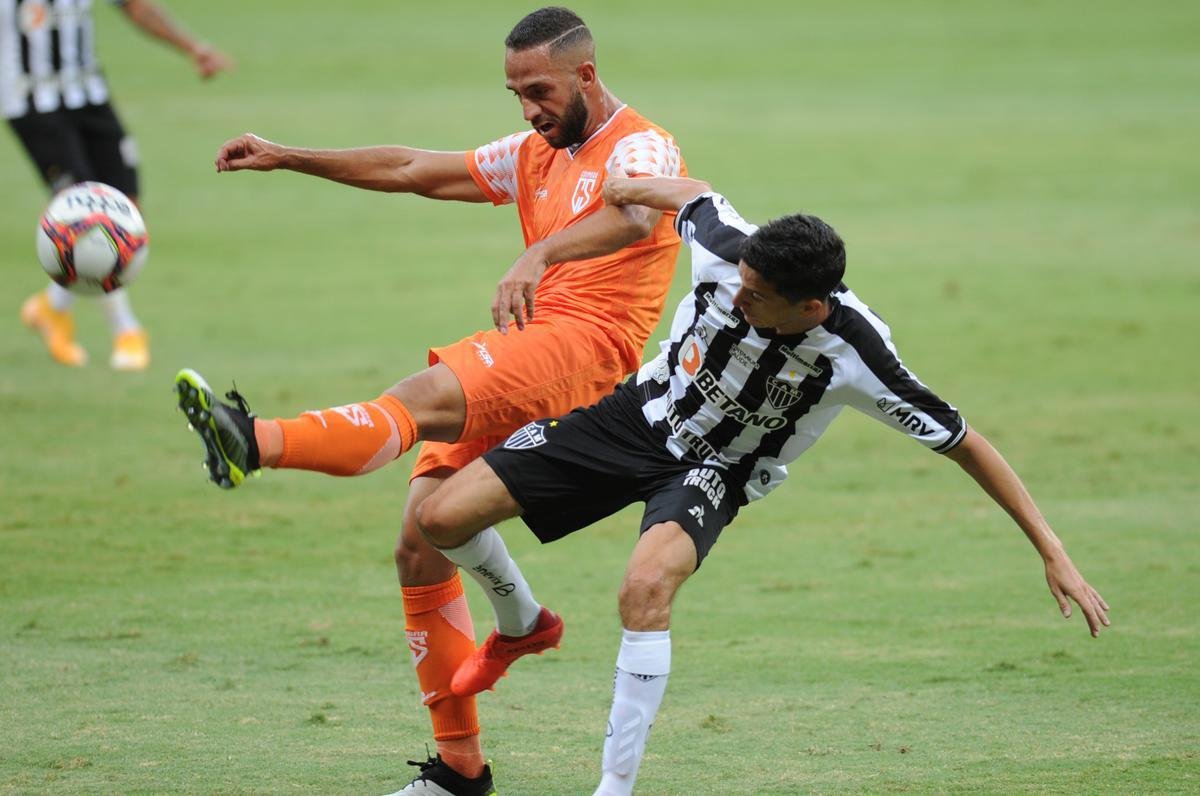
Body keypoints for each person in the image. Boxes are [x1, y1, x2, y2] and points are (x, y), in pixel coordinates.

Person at [410, 174, 1112, 795]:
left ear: (811, 307)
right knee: (441, 518)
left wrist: (1054, 552)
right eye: (740, 282)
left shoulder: (859, 355)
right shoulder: (728, 245)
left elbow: (966, 444)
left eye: (758, 297)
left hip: (718, 469)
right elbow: (691, 194)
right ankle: (524, 623)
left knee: (645, 590)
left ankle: (613, 787)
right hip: (638, 416)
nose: (737, 296)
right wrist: (628, 187)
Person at [177, 8, 685, 794]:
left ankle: (255, 441)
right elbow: (414, 168)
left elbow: (637, 213)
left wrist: (540, 251)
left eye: (540, 91)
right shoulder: (533, 152)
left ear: (586, 74)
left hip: (586, 351)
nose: (527, 110)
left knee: (415, 398)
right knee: (419, 542)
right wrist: (287, 156)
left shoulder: (642, 146)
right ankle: (461, 766)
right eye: (515, 93)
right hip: (536, 340)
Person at [6, 0, 233, 370]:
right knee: (83, 218)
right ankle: (126, 329)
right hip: (31, 101)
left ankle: (51, 308)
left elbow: (136, 6)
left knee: (127, 212)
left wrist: (193, 47)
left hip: (89, 94)